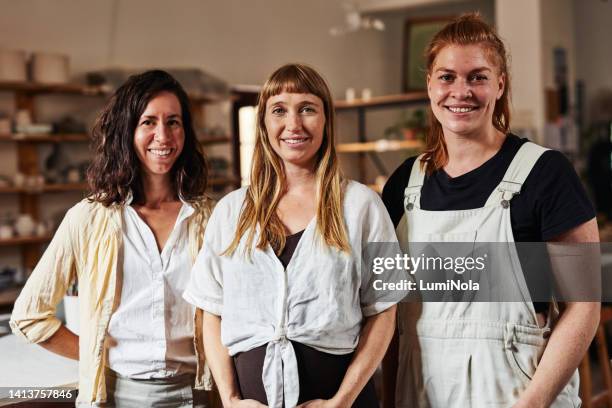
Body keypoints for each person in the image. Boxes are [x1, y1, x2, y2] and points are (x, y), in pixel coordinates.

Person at [381, 13, 600, 408]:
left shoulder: (544, 173)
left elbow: (584, 309)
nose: (460, 91)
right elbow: (390, 315)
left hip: (516, 395)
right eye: (447, 77)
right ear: (429, 84)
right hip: (419, 393)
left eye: (477, 77)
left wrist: (532, 403)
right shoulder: (403, 185)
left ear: (500, 84)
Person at [183, 63, 404, 408]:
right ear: (263, 124)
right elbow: (210, 311)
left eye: (307, 109)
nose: (293, 125)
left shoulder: (361, 206)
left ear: (326, 120)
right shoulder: (230, 211)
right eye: (279, 111)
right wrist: (229, 399)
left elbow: (384, 311)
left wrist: (341, 401)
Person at [10, 70, 215, 407]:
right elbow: (29, 315)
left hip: (200, 393)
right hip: (118, 396)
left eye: (173, 122)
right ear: (126, 131)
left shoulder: (211, 217)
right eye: (148, 122)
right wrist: (94, 354)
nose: (163, 136)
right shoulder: (88, 218)